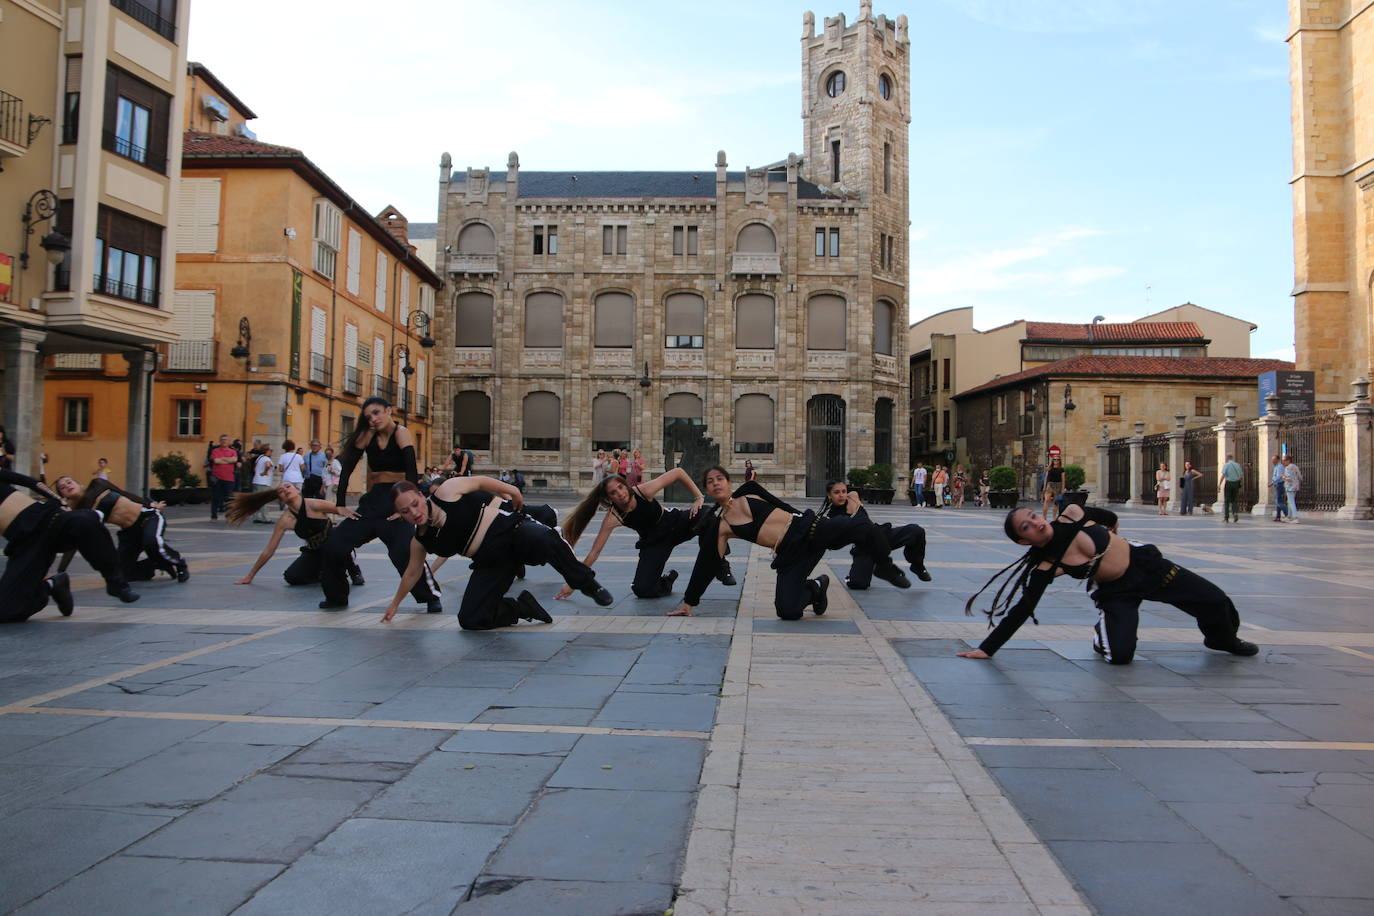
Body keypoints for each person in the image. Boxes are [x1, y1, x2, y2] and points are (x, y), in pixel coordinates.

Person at [957, 504, 1259, 665]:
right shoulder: (1047, 566)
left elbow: (1107, 516)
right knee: (1120, 657)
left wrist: (1112, 529)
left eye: (1033, 516)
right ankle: (1103, 635)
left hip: (1149, 568)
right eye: (1027, 526)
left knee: (1214, 600)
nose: (1037, 522)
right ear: (1024, 540)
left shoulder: (1072, 514)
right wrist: (987, 649)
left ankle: (1223, 640)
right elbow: (1024, 608)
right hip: (1118, 592)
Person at [382, 476, 613, 627]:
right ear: (399, 515)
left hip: (513, 532)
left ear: (421, 496)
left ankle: (587, 584)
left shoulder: (447, 491)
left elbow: (481, 482)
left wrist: (512, 490)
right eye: (405, 511)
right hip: (491, 562)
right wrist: (395, 605)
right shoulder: (420, 540)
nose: (414, 512)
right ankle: (521, 607)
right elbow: (412, 574)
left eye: (415, 504)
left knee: (544, 537)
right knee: (470, 619)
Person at [672, 466, 895, 619]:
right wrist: (689, 601)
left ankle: (885, 566)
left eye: (719, 478)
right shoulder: (721, 526)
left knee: (864, 528)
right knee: (787, 611)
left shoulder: (749, 491)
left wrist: (807, 519)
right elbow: (707, 562)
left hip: (809, 530)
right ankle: (816, 587)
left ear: (729, 482)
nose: (715, 483)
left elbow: (781, 505)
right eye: (710, 482)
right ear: (707, 490)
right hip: (790, 554)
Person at [318, 396, 442, 611]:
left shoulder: (401, 432)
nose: (373, 419)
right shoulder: (367, 435)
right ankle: (336, 597)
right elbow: (347, 467)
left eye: (376, 413)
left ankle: (430, 597)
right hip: (373, 501)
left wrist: (407, 508)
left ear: (388, 410)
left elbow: (411, 469)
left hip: (397, 500)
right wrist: (340, 504)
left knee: (403, 552)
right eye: (368, 416)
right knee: (334, 545)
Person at [560, 468, 736, 600]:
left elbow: (678, 472)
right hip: (654, 542)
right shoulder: (613, 517)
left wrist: (698, 497)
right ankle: (666, 581)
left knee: (707, 516)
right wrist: (574, 582)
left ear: (626, 485)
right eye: (613, 493)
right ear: (609, 499)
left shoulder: (643, 491)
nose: (620, 494)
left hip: (676, 523)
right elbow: (594, 552)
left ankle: (721, 565)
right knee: (642, 590)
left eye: (621, 487)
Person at [1, 469, 138, 621]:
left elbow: (32, 482)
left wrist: (59, 501)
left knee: (84, 521)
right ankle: (52, 585)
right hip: (24, 544)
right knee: (6, 611)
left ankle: (116, 583)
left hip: (49, 518)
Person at [228, 479, 365, 586]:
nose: (285, 490)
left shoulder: (314, 504)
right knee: (292, 577)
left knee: (335, 542)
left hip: (334, 545)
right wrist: (250, 576)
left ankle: (353, 568)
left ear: (297, 489)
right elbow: (269, 550)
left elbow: (346, 512)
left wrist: (352, 537)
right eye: (281, 491)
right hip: (314, 550)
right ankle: (321, 572)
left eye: (288, 486)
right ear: (281, 499)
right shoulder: (285, 520)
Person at [54, 475, 189, 584]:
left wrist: (150, 504)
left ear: (78, 483)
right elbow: (75, 541)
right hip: (129, 533)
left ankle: (180, 563)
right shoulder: (78, 512)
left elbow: (124, 493)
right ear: (63, 495)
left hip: (147, 518)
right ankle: (155, 564)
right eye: (62, 487)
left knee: (152, 542)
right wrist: (61, 570)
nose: (67, 486)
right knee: (121, 574)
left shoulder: (97, 484)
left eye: (69, 482)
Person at [817, 480, 931, 590]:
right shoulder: (833, 517)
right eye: (836, 493)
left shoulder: (852, 496)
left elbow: (853, 504)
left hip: (882, 534)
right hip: (865, 547)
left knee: (916, 531)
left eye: (843, 491)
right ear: (829, 495)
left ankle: (917, 567)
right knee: (858, 584)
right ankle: (864, 572)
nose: (841, 495)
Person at [208, 435, 239, 520]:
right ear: (219, 441)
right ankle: (214, 516)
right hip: (217, 478)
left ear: (229, 442)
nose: (224, 441)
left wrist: (222, 459)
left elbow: (234, 460)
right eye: (222, 440)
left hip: (229, 478)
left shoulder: (233, 451)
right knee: (215, 497)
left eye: (226, 440)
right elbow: (216, 461)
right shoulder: (215, 451)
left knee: (228, 498)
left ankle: (228, 516)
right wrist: (228, 460)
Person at [250, 446, 276, 523]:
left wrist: (258, 472)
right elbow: (268, 465)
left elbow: (254, 469)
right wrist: (265, 472)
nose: (271, 452)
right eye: (270, 451)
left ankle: (256, 517)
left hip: (256, 480)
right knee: (264, 500)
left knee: (257, 500)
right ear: (266, 451)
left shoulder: (259, 458)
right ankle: (266, 518)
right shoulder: (267, 459)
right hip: (264, 482)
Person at [1219, 454, 1243, 523]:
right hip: (1236, 484)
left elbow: (1223, 475)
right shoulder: (1237, 465)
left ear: (1227, 458)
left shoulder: (1226, 465)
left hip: (1229, 483)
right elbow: (1241, 476)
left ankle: (1226, 518)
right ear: (1232, 458)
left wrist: (1219, 484)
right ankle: (1235, 513)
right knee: (1234, 500)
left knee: (1227, 501)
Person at [1282, 454, 1302, 523]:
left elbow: (1288, 479)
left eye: (1284, 460)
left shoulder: (1288, 468)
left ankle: (1295, 517)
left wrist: (1283, 477)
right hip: (1295, 486)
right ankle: (1289, 516)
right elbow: (1300, 477)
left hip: (1289, 487)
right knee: (1289, 502)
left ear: (1288, 460)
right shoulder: (1295, 466)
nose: (1283, 462)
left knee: (1291, 502)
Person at [1271, 455, 1289, 522]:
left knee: (1279, 502)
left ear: (1278, 460)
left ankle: (1287, 514)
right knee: (1278, 501)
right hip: (1277, 485)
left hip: (1280, 485)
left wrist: (1272, 483)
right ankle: (1278, 516)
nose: (1272, 461)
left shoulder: (1280, 467)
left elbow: (1279, 477)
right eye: (1272, 459)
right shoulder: (1276, 467)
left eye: (1274, 459)